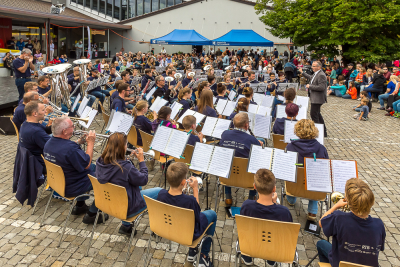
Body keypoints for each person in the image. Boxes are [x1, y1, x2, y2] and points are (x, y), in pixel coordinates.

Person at [95, 132, 162, 235]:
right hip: (128, 207)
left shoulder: (100, 161)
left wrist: (127, 160)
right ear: (122, 147)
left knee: (136, 185)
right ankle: (158, 228)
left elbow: (121, 172)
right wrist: (141, 161)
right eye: (126, 144)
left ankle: (126, 227)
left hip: (109, 202)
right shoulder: (125, 167)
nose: (127, 146)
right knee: (160, 191)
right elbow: (143, 179)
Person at [43, 117, 107, 224]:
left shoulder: (48, 143)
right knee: (107, 178)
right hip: (72, 186)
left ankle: (80, 205)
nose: (74, 128)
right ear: (65, 131)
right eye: (72, 126)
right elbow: (86, 164)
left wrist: (78, 142)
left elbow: (64, 150)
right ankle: (92, 214)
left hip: (58, 184)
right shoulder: (71, 148)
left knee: (94, 167)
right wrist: (90, 143)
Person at [157, 162, 217, 267]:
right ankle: (203, 256)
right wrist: (195, 189)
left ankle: (193, 251)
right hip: (188, 234)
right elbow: (197, 215)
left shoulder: (161, 195)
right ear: (184, 182)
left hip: (168, 229)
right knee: (212, 214)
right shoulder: (190, 201)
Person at [316, 178, 385, 267]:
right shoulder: (379, 225)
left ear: (348, 201)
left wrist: (336, 206)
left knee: (321, 244)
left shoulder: (339, 218)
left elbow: (321, 222)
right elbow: (380, 248)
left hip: (341, 264)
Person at [239, 169, 293, 266]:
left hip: (250, 246)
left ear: (254, 186)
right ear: (274, 189)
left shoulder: (246, 206)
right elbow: (288, 234)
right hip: (275, 250)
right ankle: (271, 261)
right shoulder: (284, 212)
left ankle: (247, 258)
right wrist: (275, 204)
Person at [285, 119, 328, 220]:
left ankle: (291, 199)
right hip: (313, 187)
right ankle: (312, 212)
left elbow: (286, 168)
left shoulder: (290, 147)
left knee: (292, 174)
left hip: (295, 184)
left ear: (297, 131)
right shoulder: (321, 148)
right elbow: (325, 169)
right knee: (316, 177)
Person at [220, 113, 263, 205]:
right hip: (246, 177)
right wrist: (259, 145)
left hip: (228, 175)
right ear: (247, 125)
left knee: (227, 161)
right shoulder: (252, 140)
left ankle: (228, 197)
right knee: (256, 164)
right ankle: (251, 197)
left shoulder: (225, 134)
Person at [298, 61, 328, 137]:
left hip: (318, 98)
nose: (312, 67)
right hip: (314, 97)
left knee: (314, 115)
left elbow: (322, 87)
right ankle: (323, 132)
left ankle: (318, 132)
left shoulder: (321, 75)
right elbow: (310, 77)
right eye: (312, 66)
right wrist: (302, 72)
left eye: (314, 66)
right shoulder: (316, 73)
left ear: (319, 67)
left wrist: (310, 86)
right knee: (317, 114)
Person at [19, 101, 50, 170]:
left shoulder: (26, 123)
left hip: (33, 160)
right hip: (40, 164)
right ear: (35, 113)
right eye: (43, 110)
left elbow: (46, 129)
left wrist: (57, 124)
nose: (45, 111)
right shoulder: (36, 131)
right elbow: (54, 147)